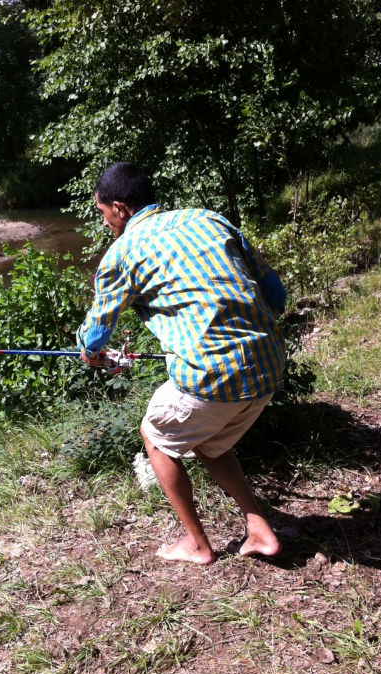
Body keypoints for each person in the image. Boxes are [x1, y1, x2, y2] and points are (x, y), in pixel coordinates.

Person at [78, 162, 287, 565]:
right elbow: (275, 295)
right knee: (210, 443)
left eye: (103, 213)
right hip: (270, 365)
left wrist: (90, 355)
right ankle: (260, 531)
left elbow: (95, 334)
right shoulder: (209, 219)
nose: (105, 222)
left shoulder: (121, 254)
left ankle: (196, 544)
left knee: (156, 437)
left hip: (210, 374)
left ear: (119, 208)